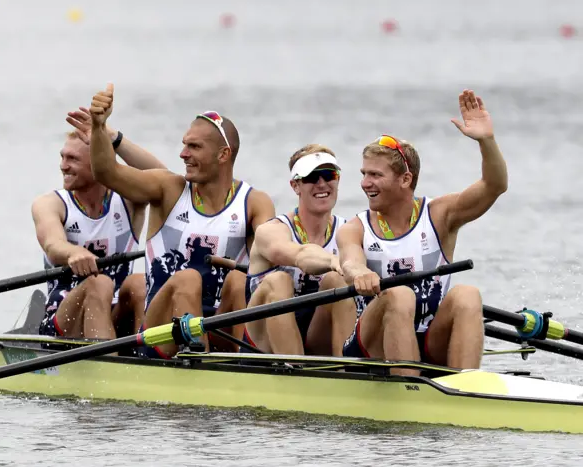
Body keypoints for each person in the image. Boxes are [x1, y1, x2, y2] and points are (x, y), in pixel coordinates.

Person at [89, 83, 275, 358]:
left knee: (238, 281)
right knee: (188, 279)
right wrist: (98, 127)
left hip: (220, 325)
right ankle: (201, 364)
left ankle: (245, 363)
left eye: (194, 147)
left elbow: (272, 255)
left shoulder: (254, 202)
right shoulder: (169, 189)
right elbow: (108, 173)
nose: (182, 154)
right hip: (161, 331)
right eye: (184, 145)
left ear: (223, 155)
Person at [338, 89, 508, 374]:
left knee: (467, 294)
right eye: (364, 174)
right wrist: (360, 274)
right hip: (371, 345)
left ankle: (467, 389)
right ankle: (410, 394)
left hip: (430, 337)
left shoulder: (440, 215)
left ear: (405, 179)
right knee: (400, 294)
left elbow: (495, 186)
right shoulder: (355, 228)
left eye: (375, 175)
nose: (365, 183)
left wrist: (486, 141)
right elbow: (350, 262)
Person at [33, 117, 164, 341]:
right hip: (65, 321)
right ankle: (109, 368)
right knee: (99, 283)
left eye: (72, 159)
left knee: (140, 282)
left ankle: (147, 358)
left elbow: (163, 177)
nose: (63, 165)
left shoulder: (128, 201)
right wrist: (73, 252)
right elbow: (53, 245)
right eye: (63, 157)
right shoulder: (51, 204)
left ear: (97, 164)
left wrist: (112, 137)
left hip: (115, 314)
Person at [242, 145, 357, 355]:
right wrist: (336, 262)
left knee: (336, 282)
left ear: (337, 179)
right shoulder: (271, 230)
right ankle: (295, 368)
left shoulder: (351, 231)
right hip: (263, 341)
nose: (322, 183)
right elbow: (300, 255)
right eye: (311, 177)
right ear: (296, 186)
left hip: (317, 335)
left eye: (328, 175)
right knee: (279, 281)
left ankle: (346, 373)